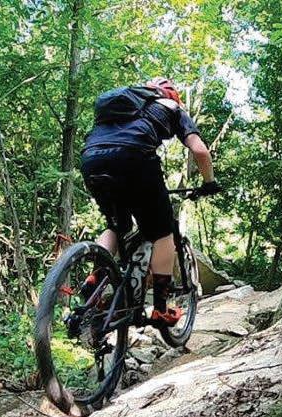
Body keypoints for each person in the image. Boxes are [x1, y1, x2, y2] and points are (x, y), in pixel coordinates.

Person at [80, 77, 219, 325]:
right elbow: (199, 150)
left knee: (116, 225)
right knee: (163, 233)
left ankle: (95, 278)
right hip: (135, 159)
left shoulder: (120, 104)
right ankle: (161, 308)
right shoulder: (172, 107)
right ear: (172, 96)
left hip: (92, 160)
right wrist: (209, 182)